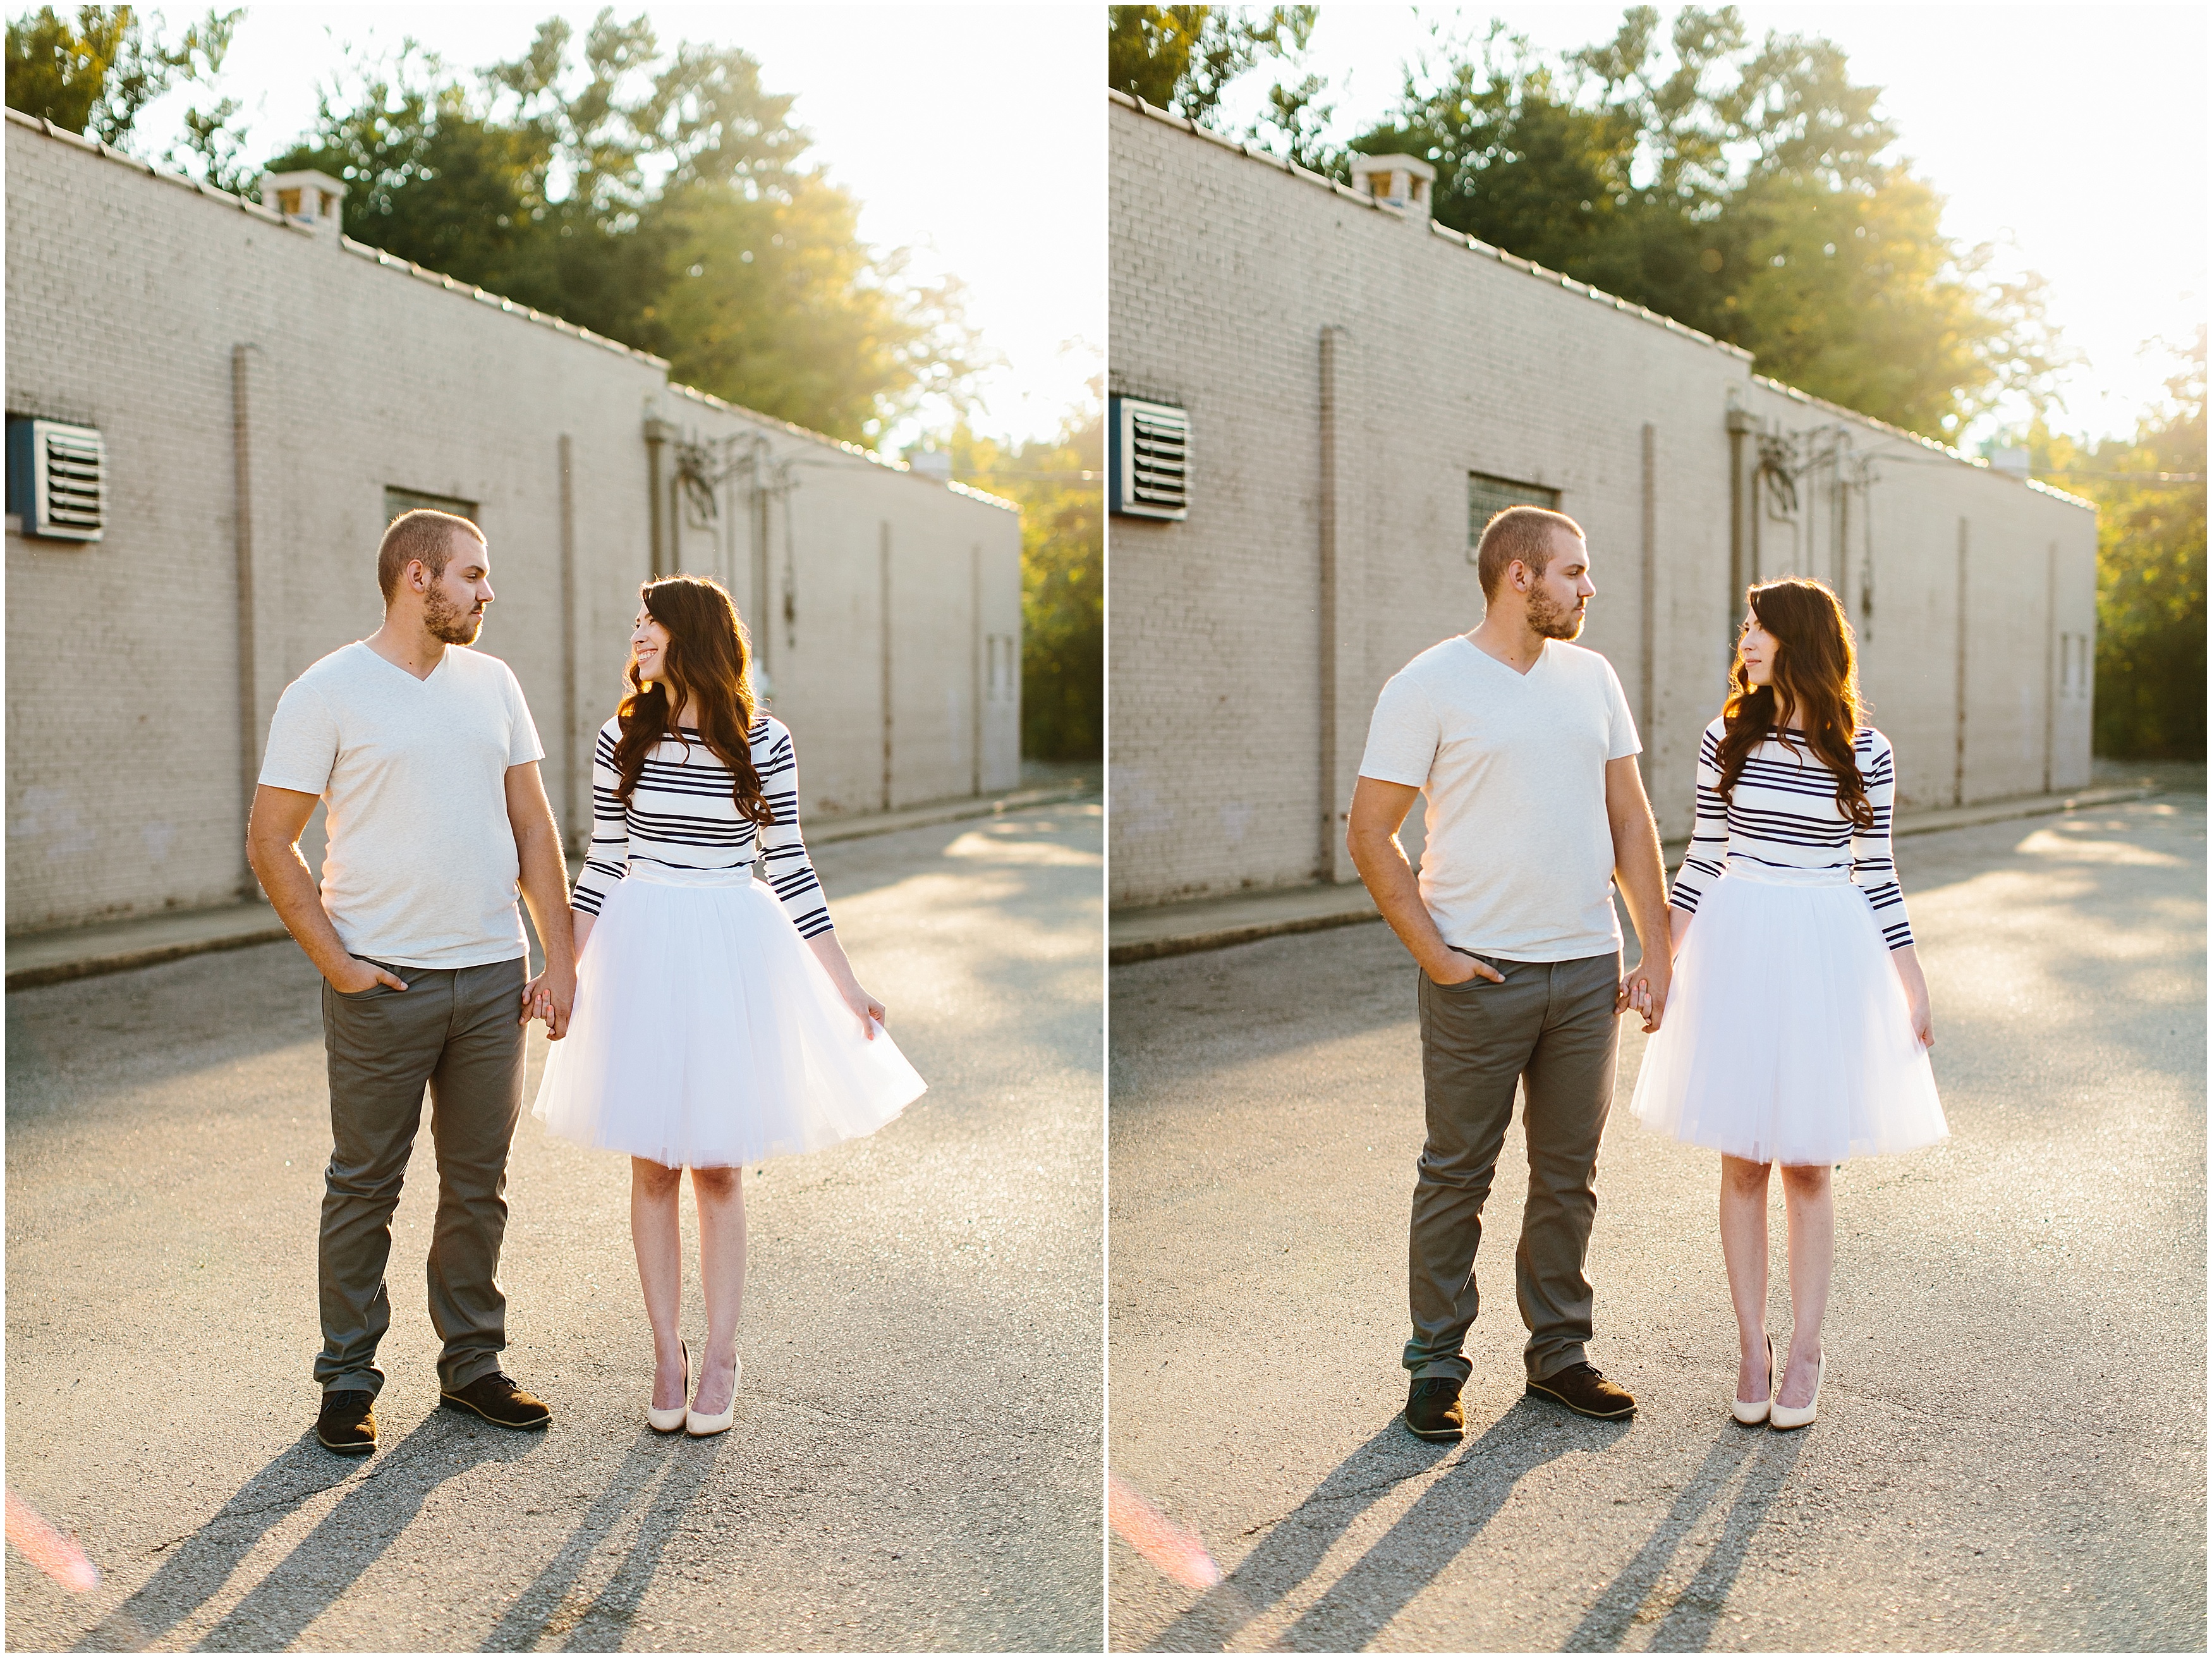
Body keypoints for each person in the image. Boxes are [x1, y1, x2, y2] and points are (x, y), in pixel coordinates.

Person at [532, 575, 925, 1437]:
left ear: (692, 635)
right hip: (642, 946)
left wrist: (846, 985)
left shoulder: (765, 740)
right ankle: (665, 1353)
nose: (636, 634)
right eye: (634, 621)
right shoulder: (620, 737)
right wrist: (560, 966)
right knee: (651, 1166)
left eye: (650, 623)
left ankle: (720, 1356)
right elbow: (599, 864)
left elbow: (790, 868)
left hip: (727, 945)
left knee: (715, 1165)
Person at [248, 508, 576, 1458]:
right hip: (383, 984)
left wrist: (559, 959)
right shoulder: (328, 692)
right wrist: (336, 962)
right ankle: (348, 1380)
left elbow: (534, 829)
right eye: (473, 575)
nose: (487, 593)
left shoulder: (494, 683)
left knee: (480, 1185)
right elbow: (272, 840)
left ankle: (472, 1365)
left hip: (491, 976)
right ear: (418, 578)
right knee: (365, 1185)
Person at [1347, 505, 1672, 1443]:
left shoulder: (1592, 678)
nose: (1588, 587)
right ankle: (1437, 1365)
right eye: (1573, 571)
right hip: (1479, 977)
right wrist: (1434, 953)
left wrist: (1655, 949)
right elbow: (1371, 831)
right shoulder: (1429, 685)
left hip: (1585, 972)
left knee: (1569, 1176)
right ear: (1519, 577)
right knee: (1457, 1175)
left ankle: (1560, 1356)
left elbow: (1629, 819)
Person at [1629, 577, 1946, 1430]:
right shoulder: (1725, 738)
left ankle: (1806, 1349)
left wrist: (1911, 981)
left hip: (1824, 949)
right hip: (1739, 943)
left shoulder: (1866, 752)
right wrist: (1659, 960)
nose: (1744, 640)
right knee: (1742, 1160)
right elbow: (1699, 861)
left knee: (1807, 1162)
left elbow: (1877, 874)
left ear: (1798, 640)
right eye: (1743, 628)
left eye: (1757, 628)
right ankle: (1750, 1345)